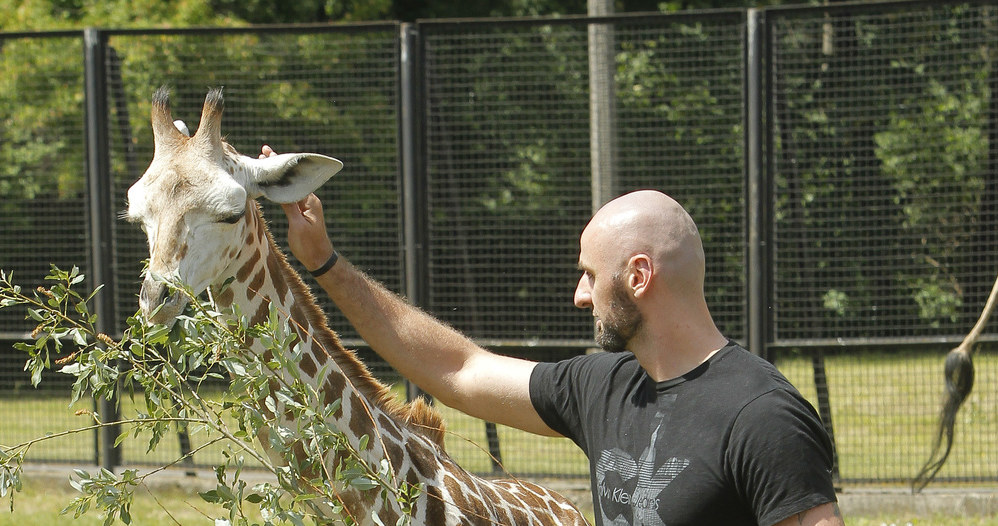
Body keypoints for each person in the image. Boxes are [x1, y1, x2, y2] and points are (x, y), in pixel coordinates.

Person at [268, 144, 843, 526]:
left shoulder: (762, 417)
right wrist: (325, 263)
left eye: (590, 275)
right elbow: (459, 370)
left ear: (639, 277)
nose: (580, 295)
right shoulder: (607, 387)